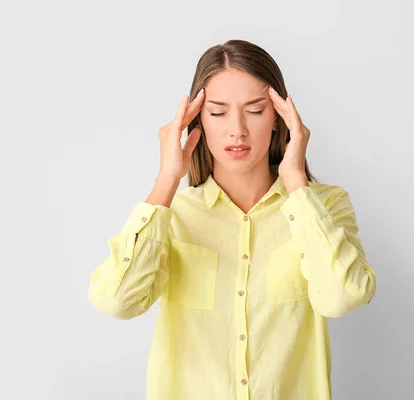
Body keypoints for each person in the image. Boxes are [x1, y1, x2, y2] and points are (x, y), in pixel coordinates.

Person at [87, 39, 377, 400]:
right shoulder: (172, 215)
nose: (236, 129)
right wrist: (165, 181)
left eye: (255, 111)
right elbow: (115, 302)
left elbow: (340, 299)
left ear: (279, 119)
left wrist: (297, 182)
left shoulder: (325, 206)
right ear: (197, 121)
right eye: (218, 112)